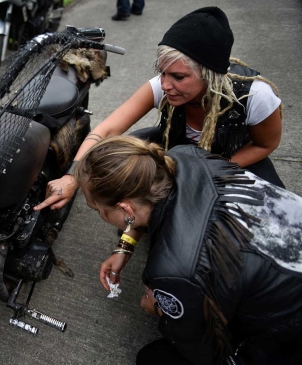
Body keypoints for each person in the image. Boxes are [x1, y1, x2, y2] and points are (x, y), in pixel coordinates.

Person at [35, 7, 284, 245]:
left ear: (210, 75)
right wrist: (72, 176)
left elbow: (266, 144)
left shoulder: (255, 96)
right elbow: (108, 130)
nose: (165, 85)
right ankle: (136, 229)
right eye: (162, 73)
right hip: (175, 156)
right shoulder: (162, 86)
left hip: (231, 161)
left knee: (271, 225)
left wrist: (213, 173)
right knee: (125, 156)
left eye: (178, 77)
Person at [75, 135, 302, 364]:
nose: (101, 216)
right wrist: (125, 247)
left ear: (126, 209)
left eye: (97, 209)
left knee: (153, 358)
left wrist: (161, 308)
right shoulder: (183, 155)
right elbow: (142, 211)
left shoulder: (174, 270)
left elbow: (207, 353)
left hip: (289, 331)